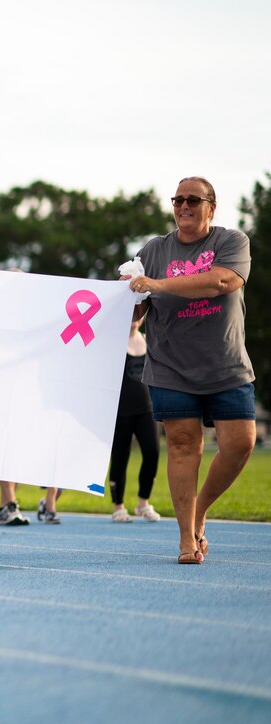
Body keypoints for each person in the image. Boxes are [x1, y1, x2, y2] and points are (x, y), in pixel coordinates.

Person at [124, 176, 255, 564]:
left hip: (225, 363)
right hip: (170, 366)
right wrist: (126, 293)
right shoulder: (153, 250)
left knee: (240, 444)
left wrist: (158, 284)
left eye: (193, 200)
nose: (184, 206)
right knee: (183, 445)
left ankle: (199, 511)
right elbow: (136, 312)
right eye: (178, 199)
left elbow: (221, 281)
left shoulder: (231, 242)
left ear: (211, 208)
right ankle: (186, 539)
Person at [109, 320, 161, 523]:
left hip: (146, 409)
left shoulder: (149, 341)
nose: (134, 317)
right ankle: (118, 506)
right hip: (121, 411)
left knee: (153, 452)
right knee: (120, 457)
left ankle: (143, 503)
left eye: (139, 312)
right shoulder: (114, 343)